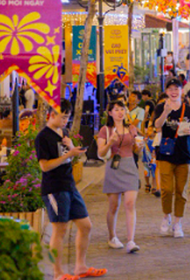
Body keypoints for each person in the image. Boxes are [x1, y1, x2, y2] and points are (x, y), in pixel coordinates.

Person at [36, 99, 107, 280]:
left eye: (68, 117)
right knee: (60, 230)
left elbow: (68, 158)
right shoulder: (43, 137)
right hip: (54, 188)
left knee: (86, 225)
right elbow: (44, 166)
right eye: (63, 117)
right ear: (51, 115)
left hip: (69, 185)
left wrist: (71, 147)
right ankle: (58, 272)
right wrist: (69, 153)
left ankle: (80, 267)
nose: (65, 121)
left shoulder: (64, 132)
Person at [153, 78, 190, 238]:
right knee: (167, 189)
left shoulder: (189, 110)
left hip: (184, 154)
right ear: (166, 91)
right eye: (171, 89)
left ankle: (177, 222)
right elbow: (157, 126)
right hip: (166, 153)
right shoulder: (161, 107)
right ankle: (166, 216)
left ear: (181, 91)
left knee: (181, 190)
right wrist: (165, 112)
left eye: (177, 88)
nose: (174, 92)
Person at [96, 100, 141, 253]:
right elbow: (100, 153)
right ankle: (112, 236)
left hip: (129, 167)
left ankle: (130, 241)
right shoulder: (105, 130)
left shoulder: (131, 128)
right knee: (113, 206)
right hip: (113, 168)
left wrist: (139, 146)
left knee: (130, 204)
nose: (120, 112)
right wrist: (110, 143)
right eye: (116, 109)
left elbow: (136, 150)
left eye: (122, 109)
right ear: (110, 113)